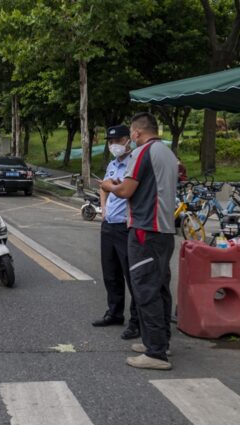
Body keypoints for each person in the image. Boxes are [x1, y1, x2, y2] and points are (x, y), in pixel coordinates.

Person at [101, 112, 177, 371]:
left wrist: (109, 186)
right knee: (160, 288)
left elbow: (125, 191)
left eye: (131, 134)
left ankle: (156, 353)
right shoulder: (168, 152)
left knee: (145, 289)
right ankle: (160, 342)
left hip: (146, 229)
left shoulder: (143, 152)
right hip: (165, 230)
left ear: (135, 133)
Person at [92, 124, 140, 341]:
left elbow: (128, 190)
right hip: (109, 224)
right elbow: (105, 186)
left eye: (118, 141)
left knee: (131, 275)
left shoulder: (134, 164)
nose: (114, 145)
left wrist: (113, 188)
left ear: (127, 140)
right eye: (111, 142)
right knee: (110, 273)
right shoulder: (112, 164)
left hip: (125, 226)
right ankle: (114, 312)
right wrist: (104, 210)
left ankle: (136, 321)